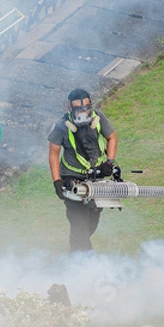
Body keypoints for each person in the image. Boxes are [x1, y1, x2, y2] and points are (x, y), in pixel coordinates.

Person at [48, 88, 118, 252]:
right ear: (69, 107)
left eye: (86, 107)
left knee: (91, 223)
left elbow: (112, 137)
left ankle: (79, 249)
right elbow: (53, 154)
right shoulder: (60, 127)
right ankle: (82, 262)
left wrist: (109, 162)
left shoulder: (98, 117)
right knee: (78, 223)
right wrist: (57, 181)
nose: (83, 112)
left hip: (96, 179)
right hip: (73, 180)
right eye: (78, 108)